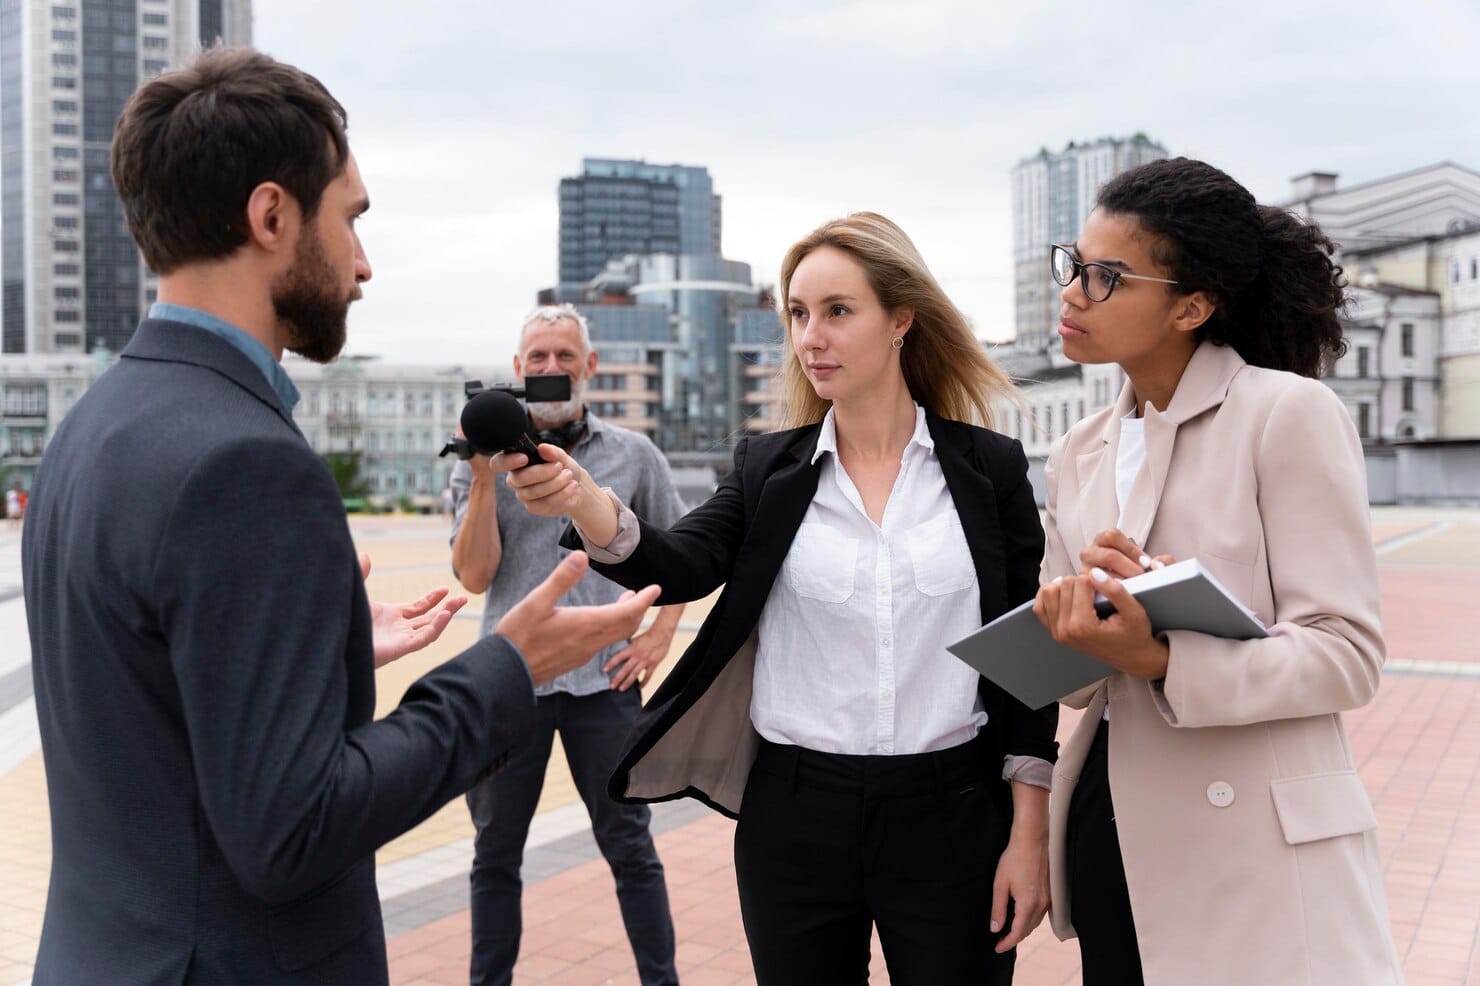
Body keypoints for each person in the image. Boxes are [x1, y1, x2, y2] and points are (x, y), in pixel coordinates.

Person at [20, 47, 659, 986]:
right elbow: (291, 830)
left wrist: (313, 661)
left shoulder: (90, 429)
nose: (364, 264)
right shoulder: (245, 462)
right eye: (350, 218)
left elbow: (145, 704)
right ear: (272, 215)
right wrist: (506, 669)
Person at [501, 212, 1057, 985]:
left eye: (837, 311)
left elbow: (1027, 660)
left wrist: (1029, 832)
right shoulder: (770, 470)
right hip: (795, 817)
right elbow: (682, 561)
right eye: (798, 314)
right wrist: (583, 498)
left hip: (953, 814)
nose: (810, 337)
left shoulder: (988, 469)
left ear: (901, 319)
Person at [1032, 157, 1402, 985]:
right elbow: (1076, 682)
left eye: (1105, 277)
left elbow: (1346, 654)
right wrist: (1075, 623)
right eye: (1072, 265)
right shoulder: (1077, 449)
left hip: (1255, 849)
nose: (1072, 293)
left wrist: (1162, 656)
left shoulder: (1286, 414)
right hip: (1114, 826)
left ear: (1192, 306)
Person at [450, 303, 686, 986]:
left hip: (602, 685)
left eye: (564, 356)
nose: (551, 368)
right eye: (537, 359)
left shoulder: (634, 455)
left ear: (589, 367)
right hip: (509, 679)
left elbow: (683, 557)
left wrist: (658, 638)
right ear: (517, 371)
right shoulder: (481, 458)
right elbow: (473, 575)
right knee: (495, 855)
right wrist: (483, 474)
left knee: (631, 849)